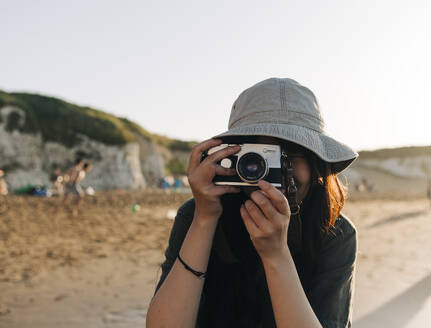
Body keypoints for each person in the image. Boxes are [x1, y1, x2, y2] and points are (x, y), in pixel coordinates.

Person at [146, 78, 359, 327]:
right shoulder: (198, 214)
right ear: (232, 155)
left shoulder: (334, 231)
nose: (278, 172)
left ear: (316, 164)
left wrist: (276, 255)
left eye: (293, 153)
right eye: (262, 157)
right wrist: (204, 219)